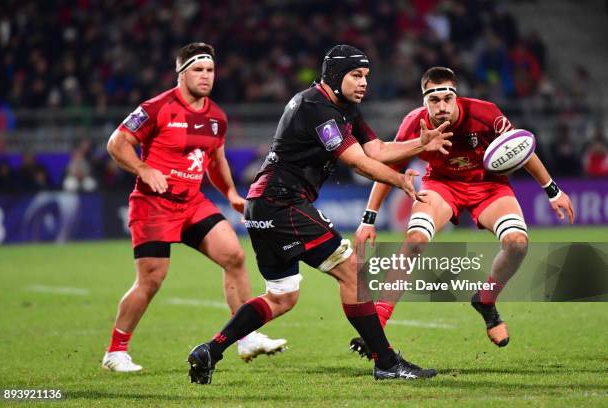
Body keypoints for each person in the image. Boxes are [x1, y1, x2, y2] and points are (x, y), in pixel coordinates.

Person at [187, 45, 454, 384]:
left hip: (263, 204)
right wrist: (400, 179)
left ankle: (210, 350)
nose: (363, 84)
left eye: (366, 77)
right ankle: (386, 362)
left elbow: (377, 150)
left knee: (282, 296)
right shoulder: (317, 107)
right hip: (282, 201)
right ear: (334, 75)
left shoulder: (345, 108)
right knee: (353, 273)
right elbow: (357, 161)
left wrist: (420, 145)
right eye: (356, 75)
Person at [351, 67, 575, 358]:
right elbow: (387, 169)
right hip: (441, 185)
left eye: (447, 98)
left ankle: (486, 300)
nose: (441, 106)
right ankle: (377, 325)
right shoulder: (414, 124)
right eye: (434, 100)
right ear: (424, 101)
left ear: (456, 95)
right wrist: (369, 219)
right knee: (415, 240)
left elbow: (521, 149)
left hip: (489, 185)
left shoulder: (485, 113)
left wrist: (553, 191)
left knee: (517, 244)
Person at [102, 42, 287, 372]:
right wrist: (144, 169)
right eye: (198, 70)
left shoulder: (216, 117)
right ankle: (116, 351)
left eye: (210, 70)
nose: (205, 76)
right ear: (181, 74)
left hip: (191, 203)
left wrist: (230, 192)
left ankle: (247, 337)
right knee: (151, 280)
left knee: (234, 255)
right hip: (153, 204)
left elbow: (216, 159)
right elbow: (117, 143)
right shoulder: (157, 108)